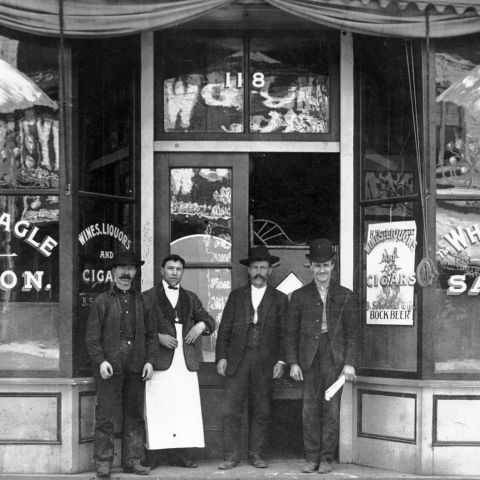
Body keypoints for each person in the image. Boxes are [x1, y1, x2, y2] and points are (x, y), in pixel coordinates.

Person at [286, 239, 359, 474]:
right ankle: (311, 458)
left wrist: (349, 363)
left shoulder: (346, 295)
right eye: (317, 266)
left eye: (326, 265)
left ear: (333, 265)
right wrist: (293, 362)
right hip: (309, 358)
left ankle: (327, 458)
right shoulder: (299, 296)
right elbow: (290, 333)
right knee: (309, 409)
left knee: (331, 408)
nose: (322, 270)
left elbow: (354, 333)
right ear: (310, 266)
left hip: (334, 357)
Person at [85, 251, 158, 479]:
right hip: (110, 366)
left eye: (131, 268)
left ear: (136, 272)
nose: (126, 273)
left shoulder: (143, 300)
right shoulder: (102, 301)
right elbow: (91, 337)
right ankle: (103, 463)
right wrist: (101, 361)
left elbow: (152, 335)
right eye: (122, 268)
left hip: (136, 365)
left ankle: (133, 460)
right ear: (113, 272)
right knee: (106, 416)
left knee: (135, 416)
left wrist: (149, 361)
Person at [216, 245, 288, 470]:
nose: (258, 271)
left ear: (269, 270)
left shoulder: (279, 298)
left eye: (263, 267)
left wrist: (281, 361)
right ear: (248, 270)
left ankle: (256, 454)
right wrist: (221, 356)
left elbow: (286, 333)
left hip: (265, 361)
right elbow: (224, 328)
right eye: (255, 267)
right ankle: (231, 456)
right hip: (238, 358)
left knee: (262, 409)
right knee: (230, 409)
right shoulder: (236, 296)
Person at [143, 254, 215, 468]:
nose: (174, 272)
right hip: (160, 360)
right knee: (158, 407)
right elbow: (138, 327)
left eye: (179, 269)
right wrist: (158, 337)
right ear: (162, 271)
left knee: (184, 407)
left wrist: (200, 326)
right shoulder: (148, 297)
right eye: (171, 268)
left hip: (186, 360)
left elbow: (210, 320)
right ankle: (154, 455)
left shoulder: (190, 298)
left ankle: (183, 454)